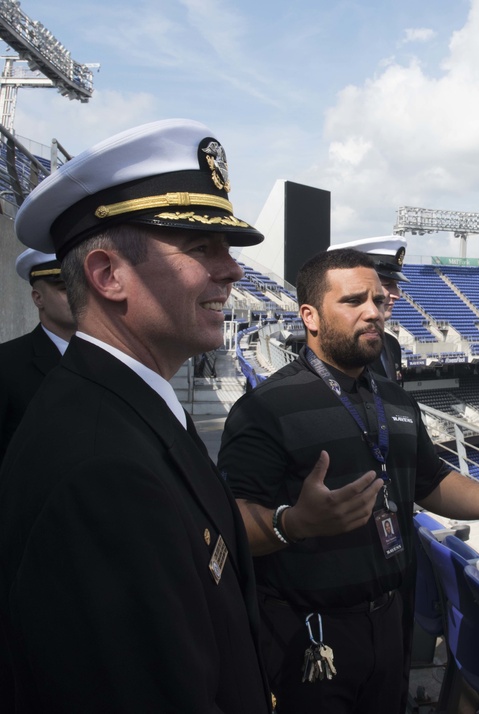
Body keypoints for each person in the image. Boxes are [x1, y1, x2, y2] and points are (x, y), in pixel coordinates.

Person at [0, 119, 271, 713]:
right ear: (107, 276)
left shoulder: (123, 408)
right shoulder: (102, 471)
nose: (233, 270)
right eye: (202, 247)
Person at [217, 248, 479, 714]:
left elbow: (429, 480)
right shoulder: (265, 409)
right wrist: (293, 523)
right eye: (354, 300)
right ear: (310, 317)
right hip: (308, 637)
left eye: (378, 301)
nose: (373, 312)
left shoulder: (396, 400)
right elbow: (229, 521)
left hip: (389, 624)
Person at [0, 249, 76, 463]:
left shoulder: (110, 359)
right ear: (38, 297)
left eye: (82, 286)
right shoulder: (7, 363)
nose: (77, 295)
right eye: (64, 288)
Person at [335, 235, 408, 383]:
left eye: (396, 286)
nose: (397, 295)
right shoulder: (342, 347)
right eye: (387, 285)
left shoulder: (391, 344)